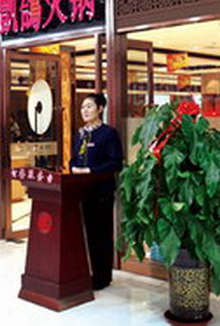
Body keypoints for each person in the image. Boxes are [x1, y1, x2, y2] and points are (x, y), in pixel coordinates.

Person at [70, 93, 123, 290]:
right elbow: (73, 159)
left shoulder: (108, 133)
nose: (84, 110)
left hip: (101, 192)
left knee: (101, 234)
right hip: (81, 191)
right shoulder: (80, 134)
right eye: (83, 107)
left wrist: (91, 171)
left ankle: (102, 277)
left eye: (89, 106)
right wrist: (73, 167)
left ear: (100, 109)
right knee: (86, 234)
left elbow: (115, 162)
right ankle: (87, 272)